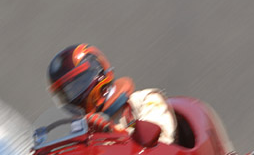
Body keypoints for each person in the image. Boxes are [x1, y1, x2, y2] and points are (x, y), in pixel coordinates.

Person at [47, 44, 177, 144]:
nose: (75, 92)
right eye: (70, 92)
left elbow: (161, 143)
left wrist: (111, 131)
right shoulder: (80, 129)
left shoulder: (145, 100)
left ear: (98, 73)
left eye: (80, 83)